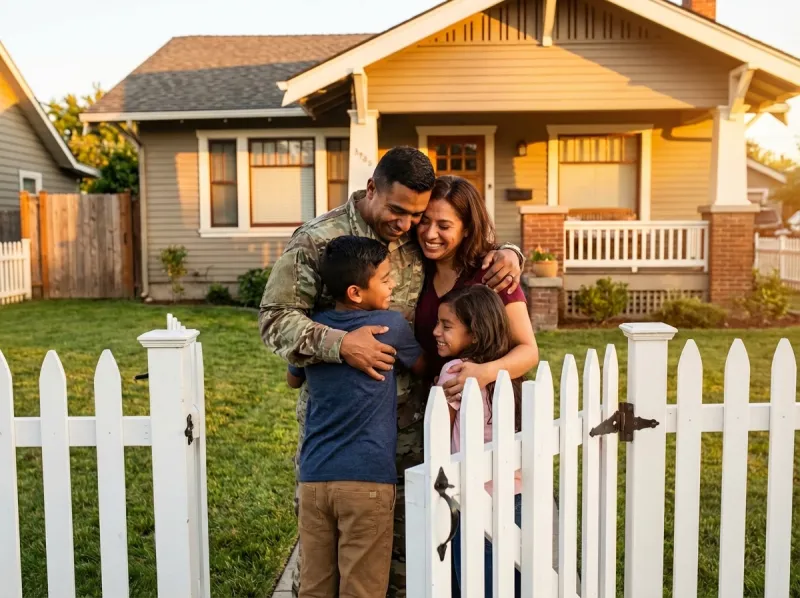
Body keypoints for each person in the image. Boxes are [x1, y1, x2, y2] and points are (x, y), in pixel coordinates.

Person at [259, 146, 526, 597]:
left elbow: (465, 240)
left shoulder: (413, 236)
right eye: (398, 211)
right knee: (326, 566)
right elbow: (274, 320)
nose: (407, 225)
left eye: (417, 215)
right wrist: (342, 345)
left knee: (403, 559)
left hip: (412, 430)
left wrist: (512, 253)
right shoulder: (319, 240)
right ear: (371, 189)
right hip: (343, 434)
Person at [286, 236, 424, 598]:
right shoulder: (389, 326)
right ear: (356, 292)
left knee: (314, 586)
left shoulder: (314, 328)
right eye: (384, 278)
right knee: (361, 588)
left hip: (315, 479)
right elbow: (426, 366)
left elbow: (291, 379)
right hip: (368, 483)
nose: (393, 284)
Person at [434, 284, 523, 597]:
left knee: (473, 584)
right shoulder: (510, 374)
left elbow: (438, 441)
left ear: (475, 333)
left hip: (472, 501)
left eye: (446, 326)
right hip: (515, 496)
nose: (435, 332)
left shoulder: (454, 372)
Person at [414, 175, 539, 397]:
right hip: (428, 407)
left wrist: (484, 372)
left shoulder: (492, 273)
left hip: (484, 407)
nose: (430, 233)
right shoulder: (414, 269)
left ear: (467, 229)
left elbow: (528, 351)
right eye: (424, 220)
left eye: (444, 226)